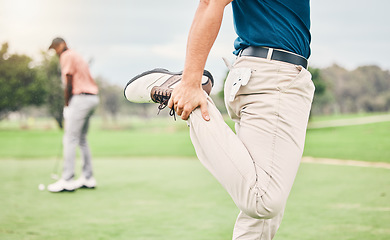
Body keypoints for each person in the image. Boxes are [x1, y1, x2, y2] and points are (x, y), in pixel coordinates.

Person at [125, 0, 314, 239]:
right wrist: (191, 83)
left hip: (274, 74)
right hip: (273, 75)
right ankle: (183, 94)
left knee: (261, 222)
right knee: (262, 200)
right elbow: (209, 3)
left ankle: (187, 91)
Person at [47, 37, 99, 193]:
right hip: (92, 98)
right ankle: (88, 178)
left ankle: (67, 180)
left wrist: (67, 104)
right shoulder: (77, 55)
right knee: (81, 138)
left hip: (80, 98)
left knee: (70, 138)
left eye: (55, 48)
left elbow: (69, 80)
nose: (55, 52)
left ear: (61, 45)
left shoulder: (66, 55)